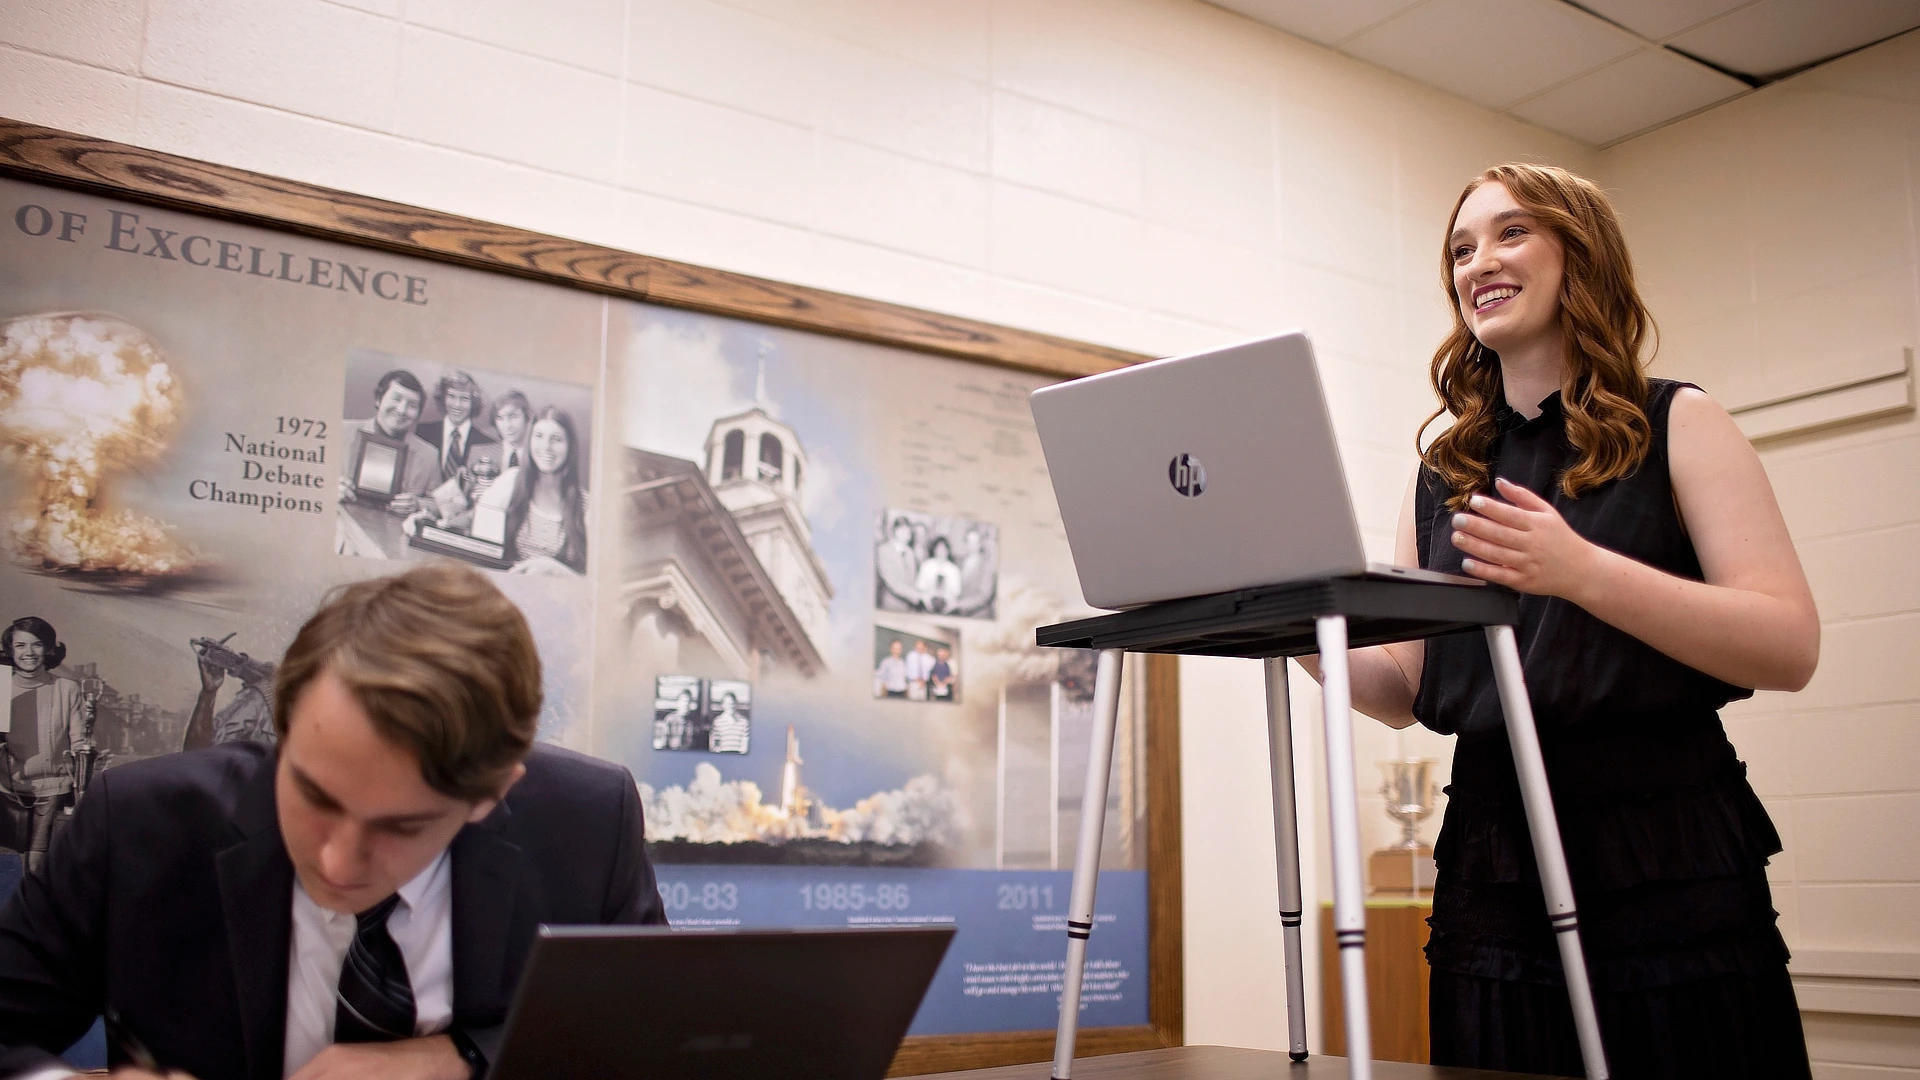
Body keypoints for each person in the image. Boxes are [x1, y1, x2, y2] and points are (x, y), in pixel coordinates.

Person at [1303, 163, 1818, 1078]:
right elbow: (1401, 693)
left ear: (1580, 255)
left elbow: (1787, 644)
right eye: (1461, 249)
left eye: (1509, 234)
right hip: (1493, 860)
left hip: (1661, 847)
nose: (1477, 264)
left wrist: (1582, 572)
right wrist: (1296, 616)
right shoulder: (1442, 474)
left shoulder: (1679, 423)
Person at [0, 565, 667, 1080]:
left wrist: (464, 1056)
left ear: (492, 794)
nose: (339, 865)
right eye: (314, 795)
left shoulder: (586, 821)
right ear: (283, 729)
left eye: (403, 827)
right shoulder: (138, 823)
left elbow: (652, 1033)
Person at [1, 618, 84, 875]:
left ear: (48, 649)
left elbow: (79, 742)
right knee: (9, 868)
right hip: (7, 794)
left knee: (36, 866)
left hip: (52, 792)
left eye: (36, 645)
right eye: (20, 645)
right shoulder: (1, 688)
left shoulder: (66, 688)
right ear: (10, 650)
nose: (28, 653)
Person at [338, 369, 441, 516]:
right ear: (379, 400)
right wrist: (330, 490)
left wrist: (418, 504)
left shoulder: (429, 455)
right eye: (396, 398)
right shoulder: (341, 431)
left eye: (412, 405)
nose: (402, 410)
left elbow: (440, 505)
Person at [501, 407, 587, 576]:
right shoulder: (510, 482)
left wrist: (553, 569)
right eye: (539, 436)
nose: (546, 447)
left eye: (556, 439)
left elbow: (595, 586)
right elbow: (480, 543)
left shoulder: (587, 505)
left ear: (570, 446)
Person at [414, 372, 495, 484]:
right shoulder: (422, 432)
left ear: (473, 403)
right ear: (443, 398)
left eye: (464, 399)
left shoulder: (486, 443)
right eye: (451, 396)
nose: (457, 405)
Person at [875, 515, 920, 610]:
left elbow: (913, 580)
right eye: (903, 530)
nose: (907, 534)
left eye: (909, 531)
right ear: (895, 531)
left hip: (908, 605)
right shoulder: (883, 550)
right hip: (891, 605)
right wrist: (916, 595)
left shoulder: (910, 553)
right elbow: (892, 582)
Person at [913, 536, 962, 614]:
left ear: (948, 551)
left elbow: (956, 592)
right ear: (934, 550)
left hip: (948, 609)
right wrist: (927, 602)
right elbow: (920, 588)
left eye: (944, 549)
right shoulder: (926, 566)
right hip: (927, 607)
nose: (941, 552)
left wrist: (948, 606)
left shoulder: (954, 569)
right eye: (938, 549)